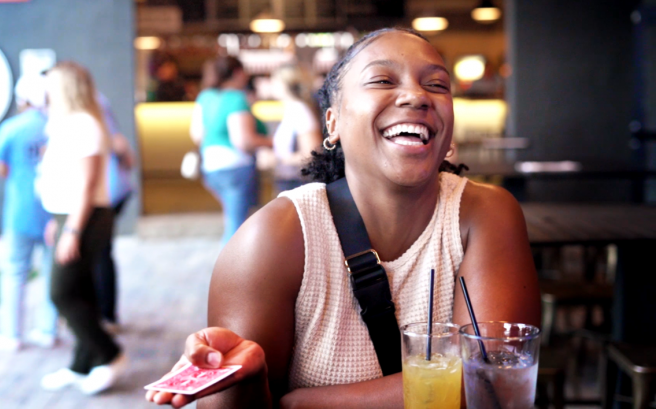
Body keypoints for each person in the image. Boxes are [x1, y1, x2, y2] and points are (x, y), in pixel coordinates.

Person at [146, 27, 541, 408]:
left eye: (437, 85)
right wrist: (243, 385)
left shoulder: (485, 215)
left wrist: (298, 405)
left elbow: (493, 384)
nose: (417, 96)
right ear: (332, 123)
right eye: (383, 80)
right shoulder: (272, 239)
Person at [36, 61, 125, 395]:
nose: (45, 92)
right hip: (69, 216)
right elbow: (64, 181)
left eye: (50, 85)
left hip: (85, 218)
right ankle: (81, 365)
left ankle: (110, 354)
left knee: (61, 293)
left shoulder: (84, 124)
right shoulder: (66, 124)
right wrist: (56, 221)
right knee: (82, 292)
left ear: (64, 88)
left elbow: (87, 185)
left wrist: (71, 231)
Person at [0, 74, 58, 351]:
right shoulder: (54, 126)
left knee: (14, 272)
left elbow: (1, 168)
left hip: (21, 210)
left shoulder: (11, 128)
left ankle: (11, 334)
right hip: (53, 210)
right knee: (50, 272)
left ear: (22, 100)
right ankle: (48, 330)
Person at [189, 56, 272, 245]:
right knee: (237, 229)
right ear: (237, 73)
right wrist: (273, 142)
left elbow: (197, 135)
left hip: (211, 168)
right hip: (236, 168)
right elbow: (243, 141)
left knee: (232, 220)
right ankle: (230, 264)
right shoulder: (236, 98)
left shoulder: (205, 97)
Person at [94, 92, 136, 333]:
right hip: (112, 192)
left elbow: (123, 150)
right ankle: (106, 315)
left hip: (106, 194)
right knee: (101, 253)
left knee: (100, 253)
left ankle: (106, 316)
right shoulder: (100, 106)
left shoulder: (93, 112)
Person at [269, 64, 323, 193]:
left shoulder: (299, 110)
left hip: (297, 183)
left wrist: (278, 159)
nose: (271, 85)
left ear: (286, 84)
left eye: (275, 81)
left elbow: (312, 154)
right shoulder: (293, 109)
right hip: (290, 181)